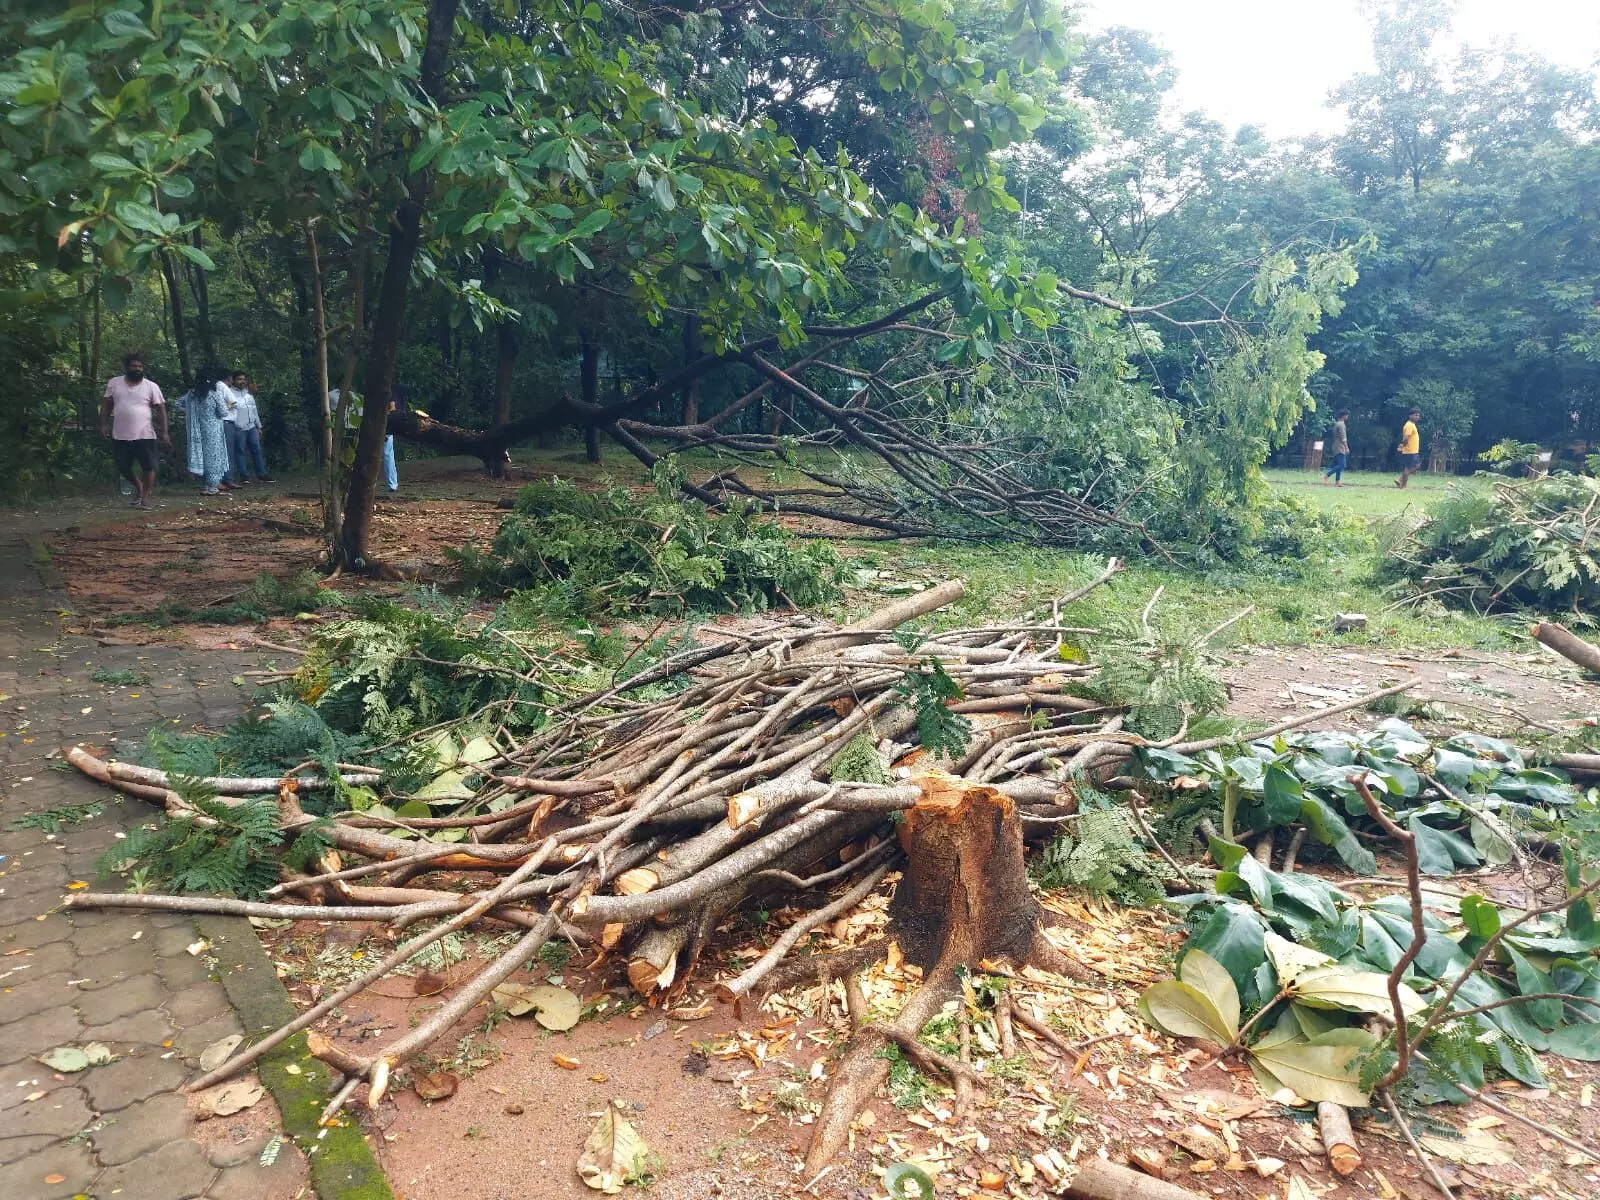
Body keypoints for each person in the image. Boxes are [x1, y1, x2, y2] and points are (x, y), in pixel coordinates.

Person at [100, 352, 171, 510]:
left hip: (144, 434)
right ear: (127, 368)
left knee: (149, 466)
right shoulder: (114, 383)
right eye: (134, 366)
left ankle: (145, 497)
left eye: (140, 366)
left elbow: (161, 409)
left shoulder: (151, 386)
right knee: (123, 467)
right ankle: (139, 487)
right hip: (120, 434)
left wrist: (165, 433)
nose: (138, 369)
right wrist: (103, 424)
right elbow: (106, 404)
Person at [181, 365, 233, 496]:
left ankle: (204, 487)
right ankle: (213, 488)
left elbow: (179, 403)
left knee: (202, 457)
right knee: (214, 458)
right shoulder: (214, 394)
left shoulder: (191, 394)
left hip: (197, 431)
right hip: (213, 430)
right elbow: (223, 412)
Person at [229, 371, 273, 483]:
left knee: (257, 449)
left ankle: (261, 473)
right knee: (240, 451)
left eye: (243, 379)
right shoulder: (229, 393)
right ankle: (244, 475)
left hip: (252, 427)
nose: (242, 381)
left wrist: (259, 426)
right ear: (233, 380)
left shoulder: (248, 394)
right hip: (239, 428)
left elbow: (254, 410)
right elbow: (228, 409)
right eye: (239, 379)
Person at [1395, 407, 1422, 489]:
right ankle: (1403, 485)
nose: (1417, 417)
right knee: (1408, 468)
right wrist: (1403, 445)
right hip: (1410, 450)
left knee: (1417, 465)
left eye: (1418, 415)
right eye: (1415, 415)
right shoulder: (1409, 425)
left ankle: (1400, 479)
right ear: (1410, 416)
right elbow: (1406, 438)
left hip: (1413, 450)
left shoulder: (1412, 425)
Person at [1322, 409, 1350, 486]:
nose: (1347, 417)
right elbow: (1343, 437)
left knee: (1339, 464)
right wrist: (1346, 447)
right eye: (1347, 415)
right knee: (1342, 465)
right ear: (1344, 416)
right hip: (1340, 447)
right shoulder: (1341, 425)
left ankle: (1337, 482)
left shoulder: (1337, 424)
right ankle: (1326, 475)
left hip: (1336, 446)